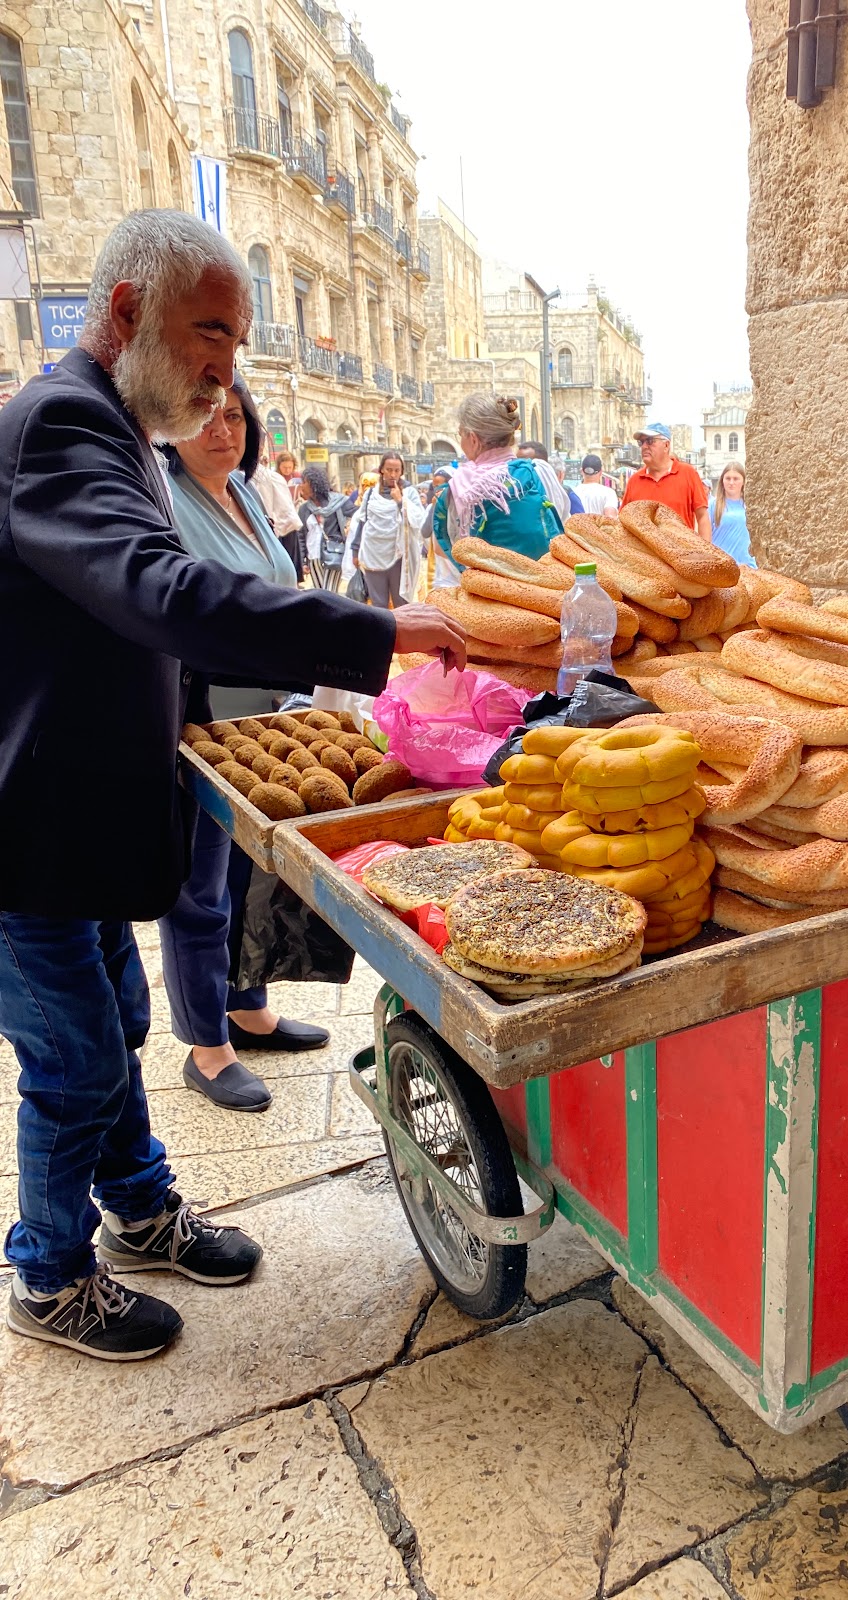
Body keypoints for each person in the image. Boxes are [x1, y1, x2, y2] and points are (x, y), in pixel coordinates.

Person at [0, 208, 467, 1361]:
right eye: (212, 332)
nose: (227, 369)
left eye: (236, 341)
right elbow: (160, 594)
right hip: (30, 829)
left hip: (83, 822)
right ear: (126, 313)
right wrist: (373, 630)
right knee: (74, 1058)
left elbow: (142, 628)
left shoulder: (120, 433)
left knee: (117, 1020)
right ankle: (51, 1275)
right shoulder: (62, 423)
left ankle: (142, 1210)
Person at [159, 376, 326, 1115]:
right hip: (198, 719)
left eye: (234, 416)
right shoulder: (164, 497)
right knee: (198, 886)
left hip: (259, 718)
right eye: (204, 416)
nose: (221, 430)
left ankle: (246, 1007)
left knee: (246, 873)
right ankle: (207, 1045)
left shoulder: (246, 491)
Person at [431, 395, 569, 562]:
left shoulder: (461, 487)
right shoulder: (539, 471)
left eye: (461, 435)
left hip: (490, 586)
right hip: (546, 579)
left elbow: (443, 549)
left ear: (473, 439)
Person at [345, 450, 420, 609]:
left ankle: (402, 634)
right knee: (378, 604)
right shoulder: (371, 493)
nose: (393, 474)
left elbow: (418, 520)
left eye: (397, 470)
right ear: (381, 470)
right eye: (389, 470)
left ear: (401, 471)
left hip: (399, 555)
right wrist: (355, 550)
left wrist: (400, 501)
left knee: (402, 604)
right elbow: (363, 522)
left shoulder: (409, 492)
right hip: (373, 553)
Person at [621, 422, 712, 538]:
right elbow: (623, 521)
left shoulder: (688, 474)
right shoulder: (635, 480)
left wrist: (705, 553)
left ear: (666, 445)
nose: (644, 446)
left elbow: (703, 517)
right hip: (644, 555)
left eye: (650, 441)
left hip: (681, 553)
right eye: (641, 442)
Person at [297, 464, 351, 592]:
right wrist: (303, 562)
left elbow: (359, 515)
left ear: (312, 484)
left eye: (304, 482)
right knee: (320, 594)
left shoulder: (337, 502)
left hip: (334, 554)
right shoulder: (304, 509)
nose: (301, 486)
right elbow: (301, 537)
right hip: (313, 558)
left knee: (329, 593)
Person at [254, 447, 304, 581]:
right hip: (277, 524)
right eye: (285, 467)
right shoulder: (272, 477)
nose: (287, 470)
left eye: (290, 467)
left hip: (288, 524)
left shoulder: (297, 478)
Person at [709, 462, 754, 567]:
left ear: (743, 481)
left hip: (748, 567)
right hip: (722, 568)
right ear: (722, 481)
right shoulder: (713, 506)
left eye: (736, 478)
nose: (731, 482)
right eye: (728, 478)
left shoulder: (750, 506)